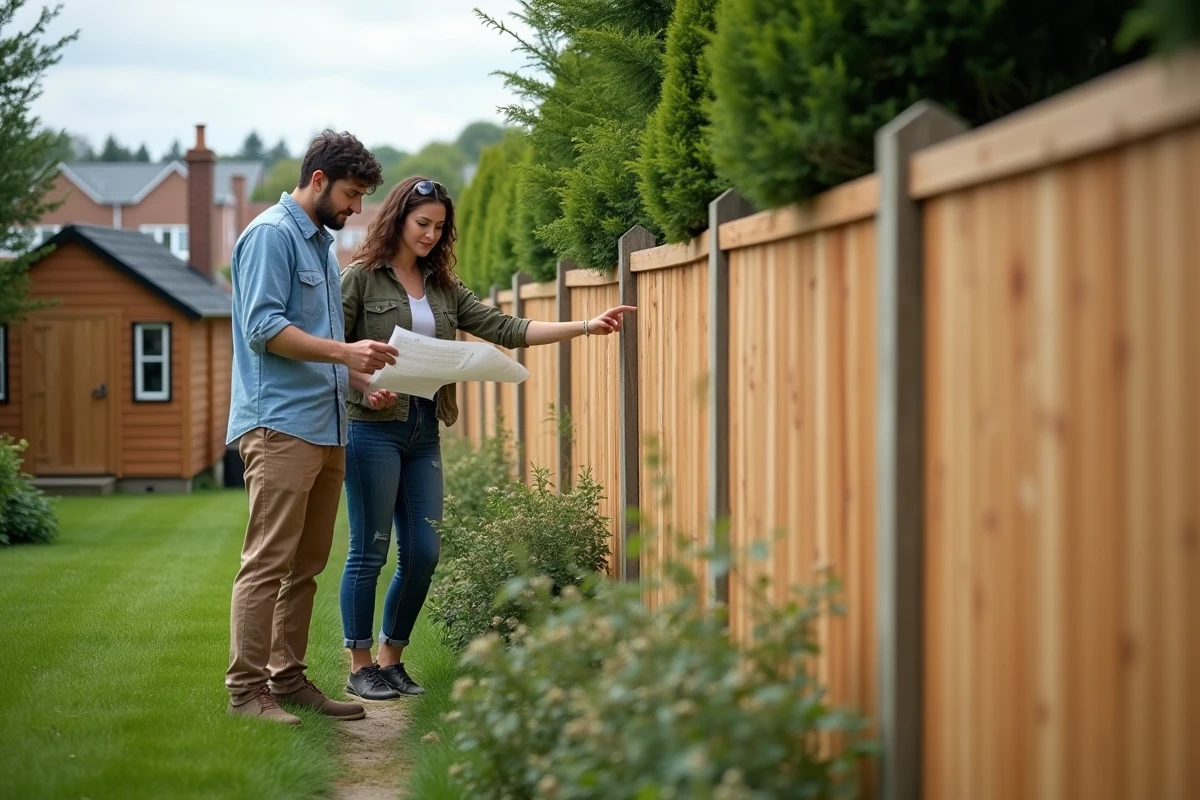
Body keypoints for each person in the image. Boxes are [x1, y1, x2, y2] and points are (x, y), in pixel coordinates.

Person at [338, 176, 634, 701]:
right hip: (372, 429)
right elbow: (333, 354)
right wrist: (365, 384)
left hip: (423, 429)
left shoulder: (445, 288)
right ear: (399, 220)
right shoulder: (360, 279)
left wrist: (587, 325)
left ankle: (391, 659)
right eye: (422, 223)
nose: (430, 234)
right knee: (370, 550)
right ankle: (359, 664)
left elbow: (507, 328)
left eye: (439, 227)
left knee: (424, 552)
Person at [225, 130, 401, 726]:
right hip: (279, 427)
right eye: (352, 195)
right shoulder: (272, 237)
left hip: (327, 428)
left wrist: (358, 381)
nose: (355, 210)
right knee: (268, 563)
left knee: (307, 564)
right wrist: (346, 353)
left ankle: (289, 679)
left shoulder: (319, 247)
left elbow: (318, 349)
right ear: (319, 179)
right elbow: (264, 330)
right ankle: (246, 693)